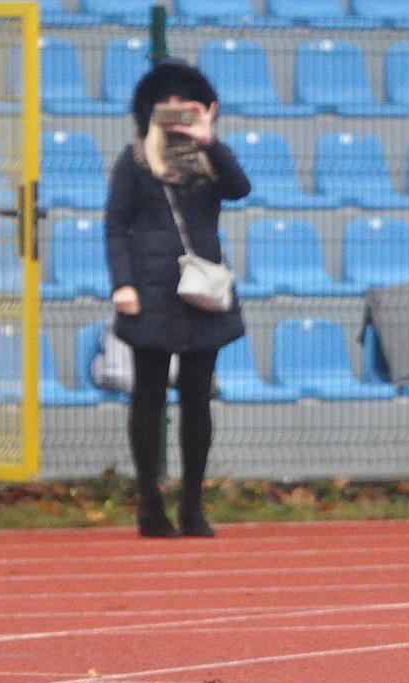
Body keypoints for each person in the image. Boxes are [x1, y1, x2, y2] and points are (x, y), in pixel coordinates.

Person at [105, 59, 249, 538]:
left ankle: (192, 504)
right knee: (147, 396)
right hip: (149, 292)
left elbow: (240, 188)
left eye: (183, 105)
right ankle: (150, 504)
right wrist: (123, 284)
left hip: (202, 293)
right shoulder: (134, 160)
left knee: (197, 399)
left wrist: (210, 140)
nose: (173, 114)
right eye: (164, 106)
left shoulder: (209, 160)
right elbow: (115, 226)